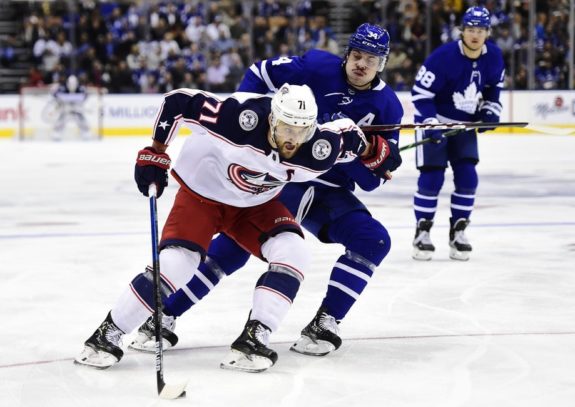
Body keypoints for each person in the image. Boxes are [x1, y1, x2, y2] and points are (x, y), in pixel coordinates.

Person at [74, 83, 399, 372]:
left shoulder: (319, 147)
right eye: (286, 128)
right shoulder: (240, 118)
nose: (291, 139)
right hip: (204, 195)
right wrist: (155, 153)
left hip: (254, 204)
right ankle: (107, 334)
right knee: (177, 264)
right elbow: (177, 103)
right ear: (272, 119)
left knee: (294, 252)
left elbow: (352, 138)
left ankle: (254, 336)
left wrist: (375, 153)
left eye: (301, 131)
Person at [130, 23, 404, 358]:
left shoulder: (389, 106)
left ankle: (326, 322)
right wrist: (258, 132)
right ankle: (165, 314)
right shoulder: (316, 66)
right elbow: (258, 73)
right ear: (347, 53)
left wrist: (370, 153)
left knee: (373, 240)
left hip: (327, 193)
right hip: (280, 181)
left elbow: (373, 180)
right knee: (233, 248)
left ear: (383, 64)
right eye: (357, 55)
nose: (362, 64)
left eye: (372, 60)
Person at [410, 6, 504, 262]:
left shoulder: (494, 56)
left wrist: (490, 110)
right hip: (435, 123)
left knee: (468, 178)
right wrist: (431, 123)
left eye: (480, 30)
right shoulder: (442, 57)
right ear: (462, 30)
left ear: (487, 32)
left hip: (465, 127)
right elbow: (420, 93)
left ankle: (458, 232)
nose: (475, 35)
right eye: (471, 29)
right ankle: (422, 233)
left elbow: (494, 87)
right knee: (431, 179)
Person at [51, 74, 91, 140]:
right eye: (70, 84)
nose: (72, 86)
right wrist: (54, 91)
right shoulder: (62, 88)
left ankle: (85, 132)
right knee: (61, 119)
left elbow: (86, 95)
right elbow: (55, 94)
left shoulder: (81, 88)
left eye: (74, 84)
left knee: (81, 119)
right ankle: (57, 132)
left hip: (77, 108)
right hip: (66, 108)